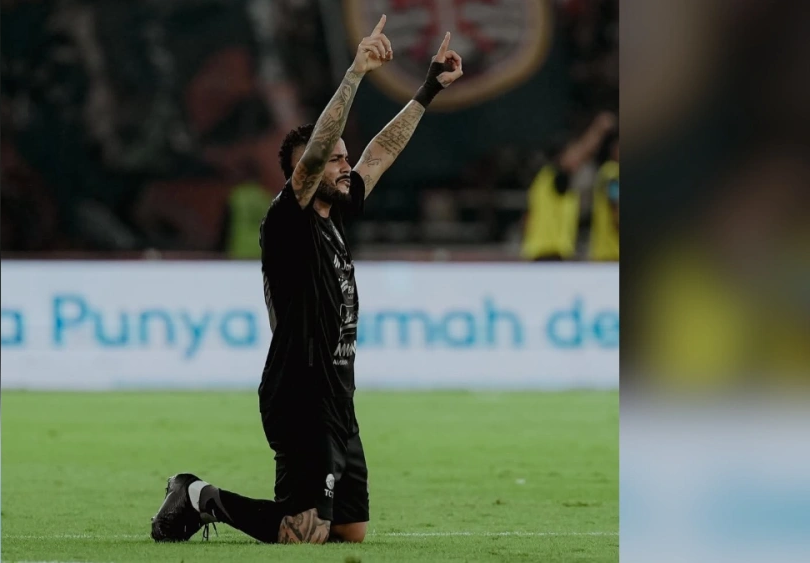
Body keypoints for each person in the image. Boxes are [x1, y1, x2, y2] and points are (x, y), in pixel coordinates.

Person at [150, 15, 464, 545]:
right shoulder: (287, 220)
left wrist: (428, 89)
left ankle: (220, 498)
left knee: (350, 531)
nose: (344, 166)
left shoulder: (335, 213)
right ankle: (198, 495)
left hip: (337, 395)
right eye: (332, 160)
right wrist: (355, 73)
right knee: (302, 532)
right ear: (303, 173)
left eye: (344, 158)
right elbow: (316, 152)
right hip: (300, 391)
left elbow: (380, 152)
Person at [521, 112, 617, 261]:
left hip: (542, 253)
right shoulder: (556, 176)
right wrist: (598, 129)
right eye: (572, 150)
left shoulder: (544, 179)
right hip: (549, 253)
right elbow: (583, 153)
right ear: (561, 156)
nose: (577, 158)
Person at [589, 130, 619, 261]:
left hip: (601, 249)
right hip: (612, 250)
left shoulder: (604, 171)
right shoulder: (613, 172)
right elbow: (615, 204)